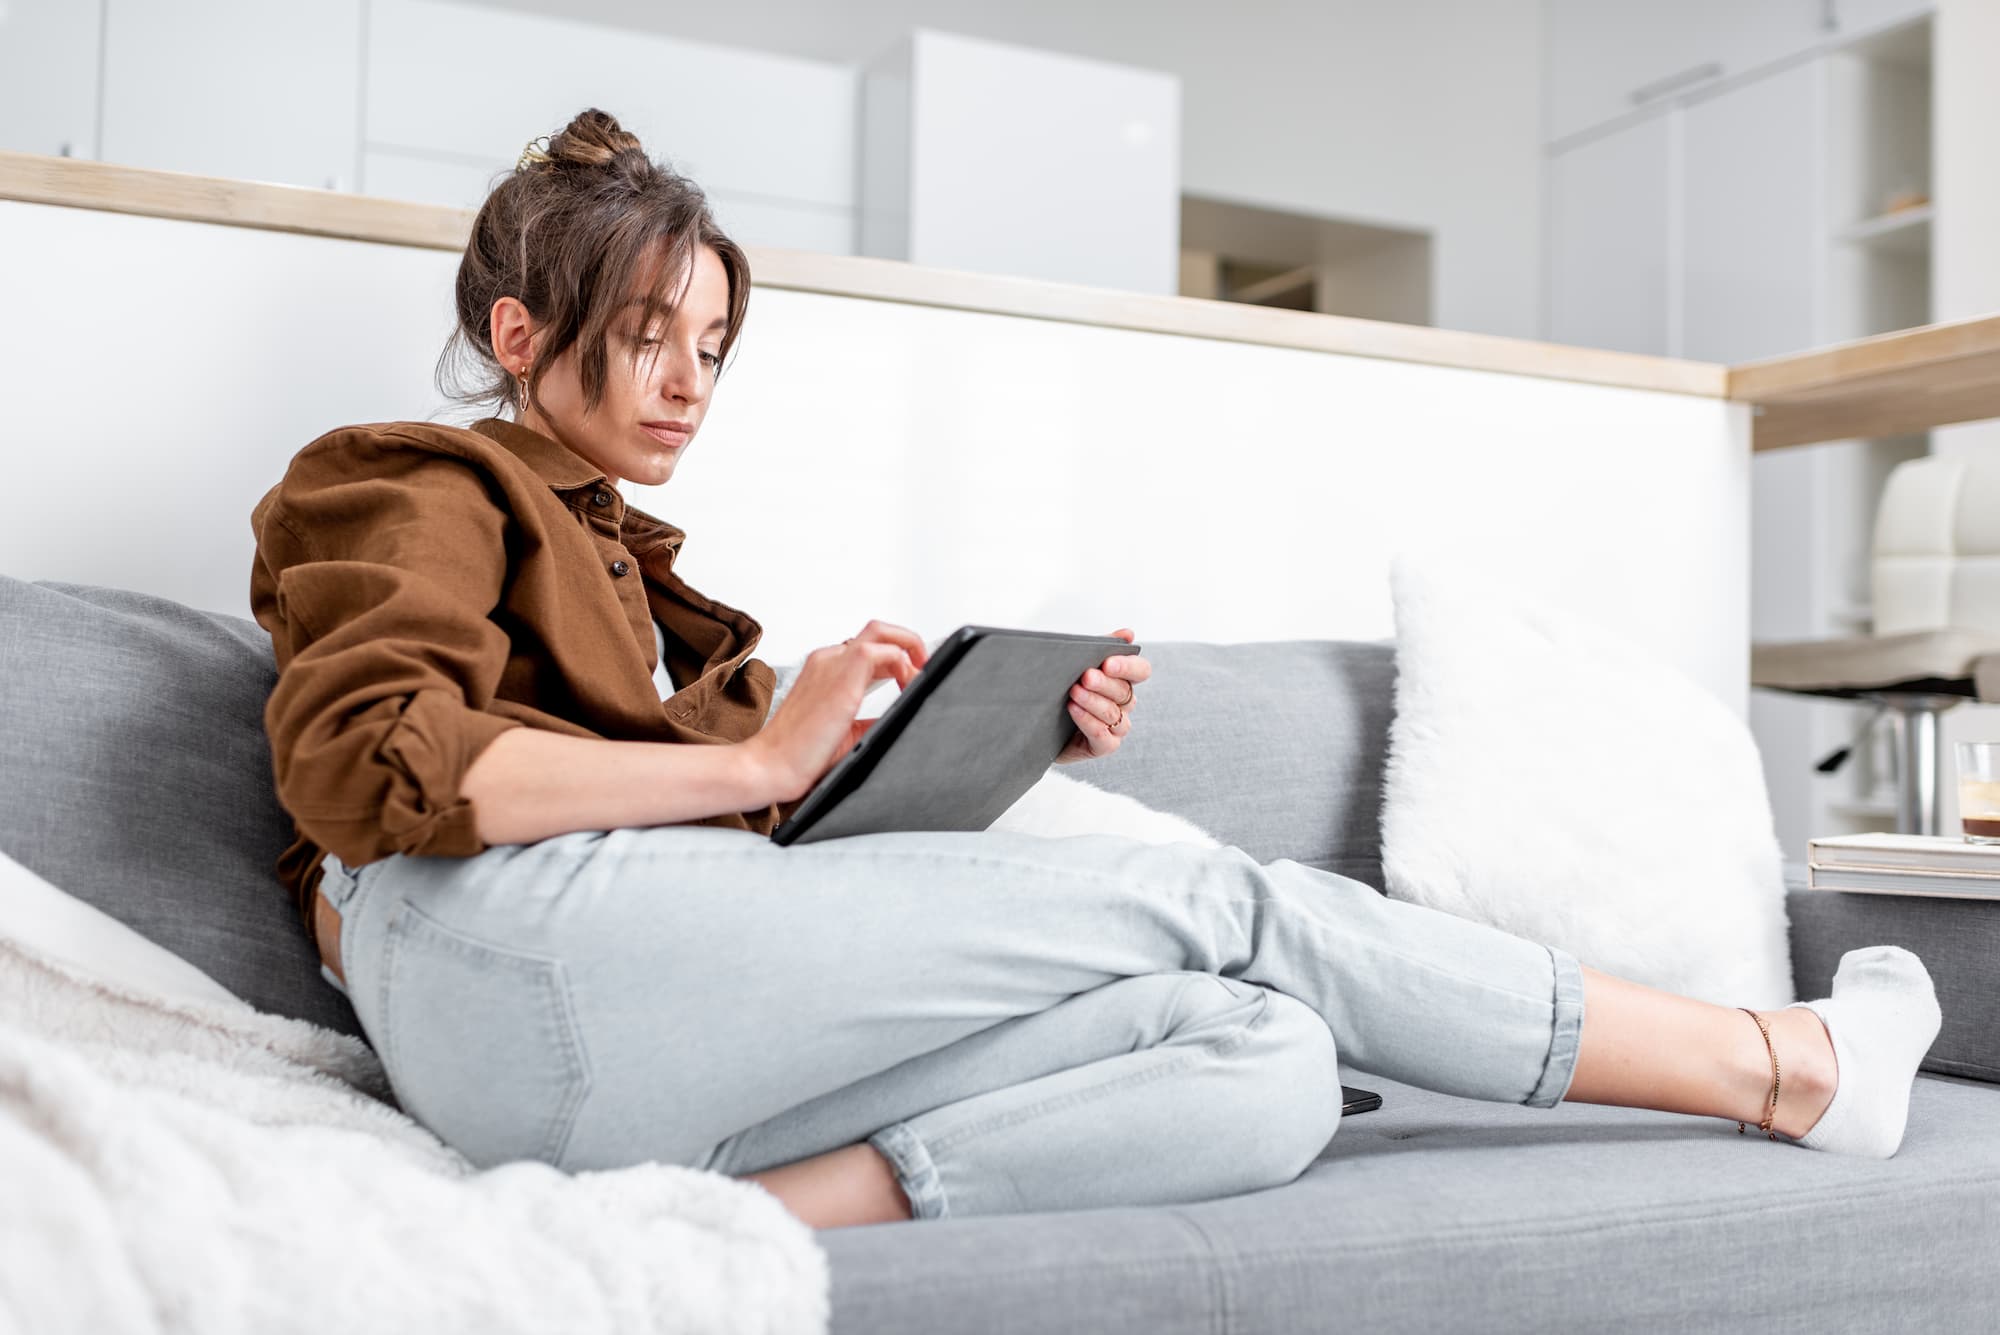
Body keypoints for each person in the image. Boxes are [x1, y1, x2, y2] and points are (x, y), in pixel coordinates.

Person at [249, 109, 1943, 1230]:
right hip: (486, 958)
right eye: (645, 333)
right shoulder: (413, 476)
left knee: (1259, 1053)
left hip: (628, 1054)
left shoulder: (643, 574)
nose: (689, 380)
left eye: (712, 343)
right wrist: (757, 767)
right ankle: (1773, 1068)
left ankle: (734, 1223)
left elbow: (759, 887)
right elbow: (380, 767)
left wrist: (978, 748)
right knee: (1231, 905)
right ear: (519, 333)